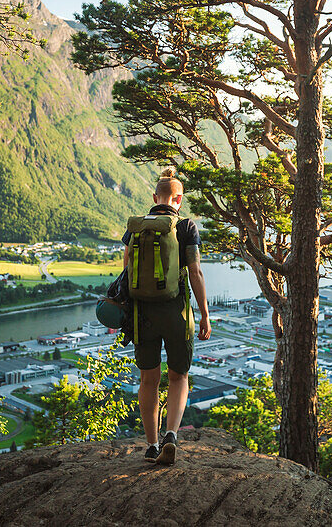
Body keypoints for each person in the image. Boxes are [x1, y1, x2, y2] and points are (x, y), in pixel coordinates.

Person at [123, 167, 210, 466]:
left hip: (141, 315)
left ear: (154, 197)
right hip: (176, 313)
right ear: (178, 199)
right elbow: (195, 272)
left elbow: (127, 272)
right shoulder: (186, 227)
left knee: (148, 379)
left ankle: (150, 444)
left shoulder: (136, 226)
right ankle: (171, 434)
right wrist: (204, 315)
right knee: (179, 375)